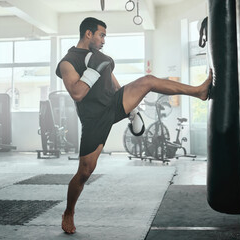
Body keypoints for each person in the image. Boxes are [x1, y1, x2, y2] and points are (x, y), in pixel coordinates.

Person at [56, 17, 212, 234]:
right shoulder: (68, 61)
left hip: (113, 103)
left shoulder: (101, 58)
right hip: (94, 119)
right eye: (101, 35)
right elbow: (77, 93)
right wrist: (93, 69)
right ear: (88, 34)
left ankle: (198, 91)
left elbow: (112, 81)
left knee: (148, 80)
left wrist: (132, 110)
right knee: (85, 171)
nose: (103, 40)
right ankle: (69, 211)